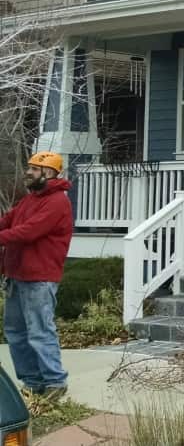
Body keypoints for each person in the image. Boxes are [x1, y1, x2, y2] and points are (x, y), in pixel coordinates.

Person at [0, 152, 73, 400]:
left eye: (34, 168)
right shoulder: (30, 200)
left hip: (39, 279)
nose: (28, 172)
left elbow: (28, 232)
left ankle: (55, 382)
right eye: (29, 167)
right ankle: (32, 382)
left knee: (40, 331)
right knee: (15, 332)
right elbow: (8, 221)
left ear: (49, 173)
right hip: (17, 275)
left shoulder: (57, 202)